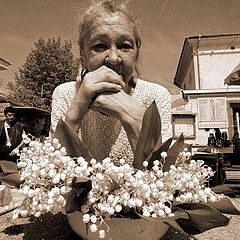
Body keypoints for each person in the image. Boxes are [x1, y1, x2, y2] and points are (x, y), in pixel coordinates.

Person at [51, 0, 172, 163]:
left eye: (124, 46)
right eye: (100, 46)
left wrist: (133, 115)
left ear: (137, 52)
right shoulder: (66, 94)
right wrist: (76, 111)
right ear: (83, 53)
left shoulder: (155, 97)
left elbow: (162, 178)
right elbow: (54, 173)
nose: (114, 58)